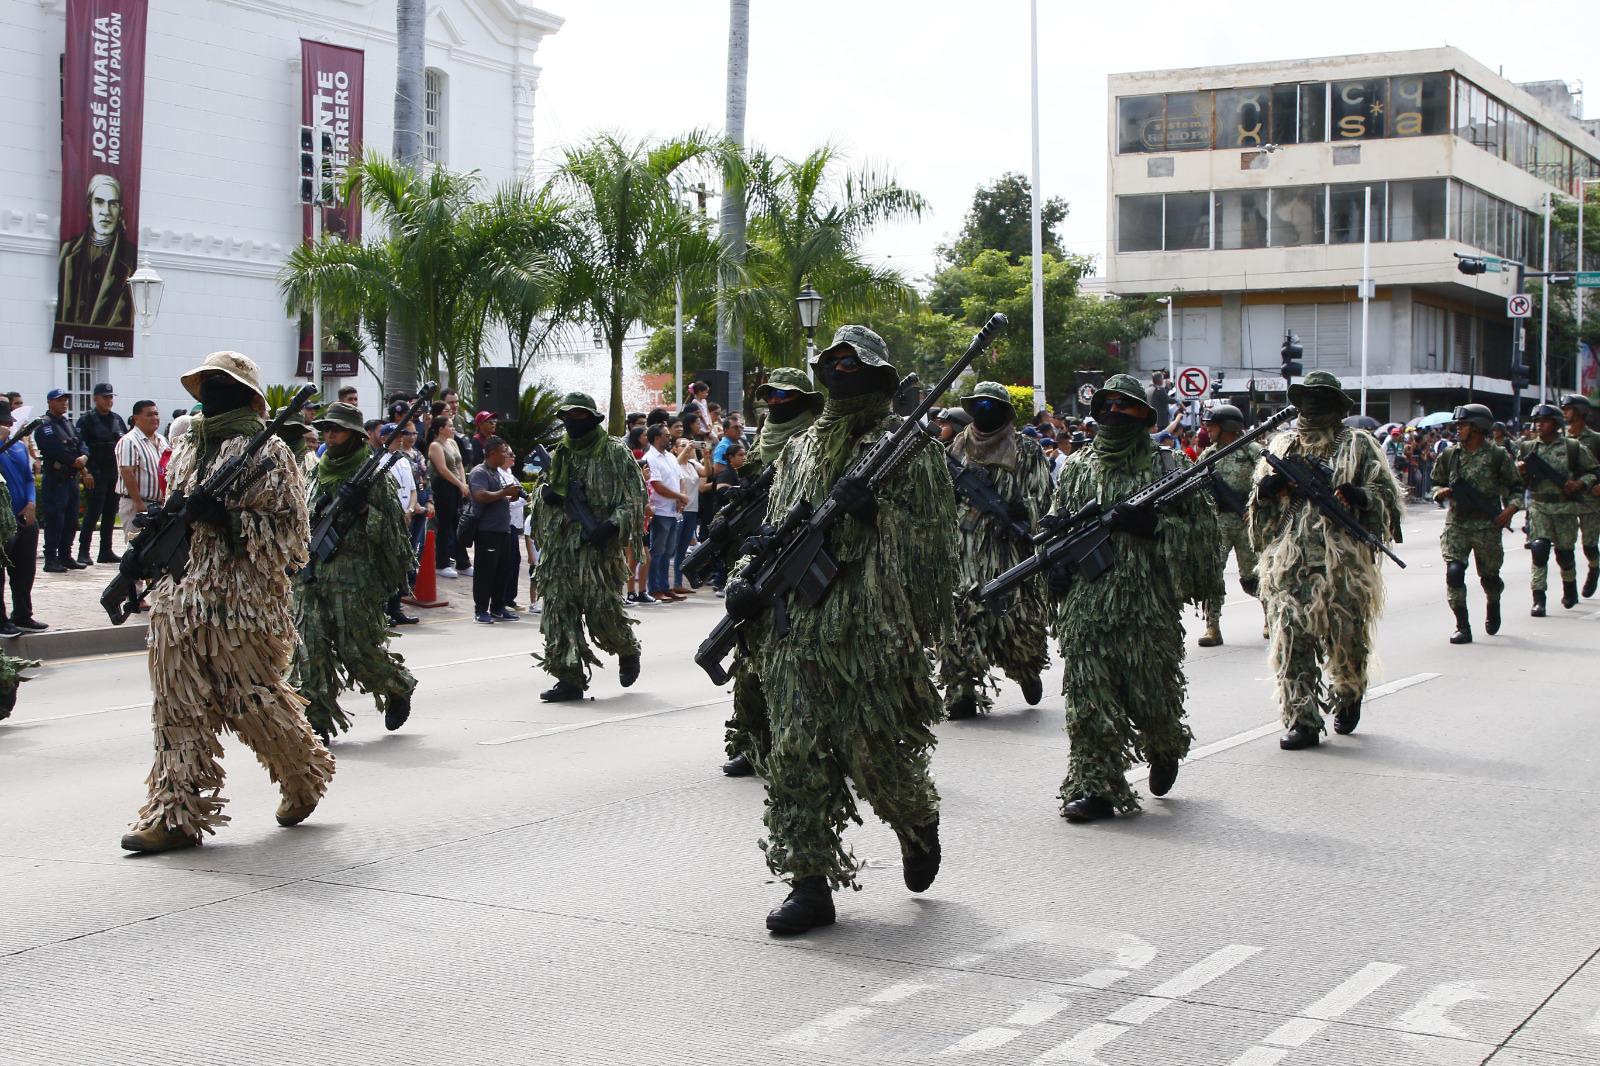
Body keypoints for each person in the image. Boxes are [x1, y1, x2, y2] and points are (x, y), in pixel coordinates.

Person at [742, 325, 954, 935]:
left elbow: (936, 548)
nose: (840, 374)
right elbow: (777, 529)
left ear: (882, 377)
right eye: (831, 365)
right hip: (796, 629)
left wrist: (877, 515)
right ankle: (809, 883)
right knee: (795, 755)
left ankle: (916, 822)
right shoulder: (802, 448)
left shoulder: (910, 450)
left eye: (853, 365)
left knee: (874, 755)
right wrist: (744, 579)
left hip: (870, 634)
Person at [120, 351, 335, 853]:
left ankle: (303, 774)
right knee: (176, 705)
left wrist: (231, 521)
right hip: (181, 595)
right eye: (208, 382)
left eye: (224, 383)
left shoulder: (269, 454)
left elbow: (291, 533)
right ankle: (174, 813)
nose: (213, 391)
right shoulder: (190, 447)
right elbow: (176, 516)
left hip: (241, 603)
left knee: (250, 699)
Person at [1046, 375, 1220, 822]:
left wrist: (1156, 528)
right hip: (1088, 603)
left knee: (1151, 694)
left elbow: (1204, 538)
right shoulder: (1078, 466)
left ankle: (1163, 746)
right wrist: (1055, 566)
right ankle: (1096, 787)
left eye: (1126, 407)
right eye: (1107, 405)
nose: (1114, 414)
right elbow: (1057, 523)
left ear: (1145, 415)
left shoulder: (1169, 468)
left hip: (1147, 604)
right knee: (1088, 696)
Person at [1249, 371, 1404, 751]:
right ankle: (1302, 719)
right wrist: (1265, 492)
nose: (1312, 404)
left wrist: (1361, 496)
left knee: (1345, 641)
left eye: (1320, 397)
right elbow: (1259, 512)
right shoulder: (1282, 446)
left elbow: (1386, 499)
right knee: (1290, 641)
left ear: (1335, 405)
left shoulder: (1357, 445)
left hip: (1342, 566)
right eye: (1306, 396)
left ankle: (1348, 691)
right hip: (1289, 563)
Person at [289, 403, 418, 742]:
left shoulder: (371, 473)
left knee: (355, 647)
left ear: (355, 435)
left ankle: (396, 685)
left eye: (338, 430)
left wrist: (364, 508)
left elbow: (393, 530)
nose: (330, 436)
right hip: (312, 570)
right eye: (327, 429)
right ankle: (316, 717)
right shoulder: (318, 470)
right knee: (309, 646)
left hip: (352, 576)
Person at [719, 367, 822, 778]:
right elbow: (753, 494)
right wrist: (728, 521)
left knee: (804, 662)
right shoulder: (764, 440)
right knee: (749, 660)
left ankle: (814, 743)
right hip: (759, 557)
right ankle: (752, 742)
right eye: (772, 396)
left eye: (786, 397)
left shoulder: (816, 439)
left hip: (802, 552)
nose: (777, 403)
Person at [940, 381, 1053, 720]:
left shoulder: (1026, 449)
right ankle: (961, 689)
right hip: (962, 550)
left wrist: (1023, 511)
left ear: (1004, 412)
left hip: (1007, 551)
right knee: (959, 616)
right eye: (980, 406)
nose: (985, 412)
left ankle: (1026, 668)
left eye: (993, 406)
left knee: (1015, 621)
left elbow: (1044, 496)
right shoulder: (954, 451)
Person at [533, 393, 645, 700]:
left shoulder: (614, 452)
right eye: (567, 417)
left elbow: (635, 497)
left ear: (592, 419)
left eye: (579, 417)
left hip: (599, 550)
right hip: (560, 550)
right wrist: (546, 496)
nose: (572, 423)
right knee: (558, 611)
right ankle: (568, 677)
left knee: (602, 610)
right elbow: (543, 494)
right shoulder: (560, 455)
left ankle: (626, 647)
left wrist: (612, 525)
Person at [1430, 404, 1521, 644]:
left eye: (1463, 425)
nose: (1458, 429)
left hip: (1487, 527)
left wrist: (1509, 510)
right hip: (1457, 523)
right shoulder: (1450, 455)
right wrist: (1440, 492)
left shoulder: (1497, 456)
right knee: (1454, 571)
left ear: (1479, 427)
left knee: (1490, 578)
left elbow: (1516, 488)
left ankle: (1493, 602)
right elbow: (1435, 483)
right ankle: (1462, 625)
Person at [1517, 403, 1598, 615]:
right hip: (1539, 505)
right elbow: (1515, 479)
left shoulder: (1572, 447)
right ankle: (1538, 599)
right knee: (1539, 549)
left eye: (1544, 421)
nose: (1538, 425)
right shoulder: (1528, 447)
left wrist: (1579, 484)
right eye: (1536, 421)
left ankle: (1570, 588)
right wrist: (1520, 471)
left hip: (1565, 507)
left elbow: (1593, 471)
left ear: (1555, 424)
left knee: (1564, 555)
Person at [1196, 404, 1264, 647]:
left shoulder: (1252, 452)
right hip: (1218, 523)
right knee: (1212, 575)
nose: (1207, 429)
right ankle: (1212, 627)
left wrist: (1256, 507)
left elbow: (1267, 483)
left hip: (1247, 522)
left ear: (1228, 427)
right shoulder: (1208, 456)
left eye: (1212, 425)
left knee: (1254, 577)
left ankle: (1271, 616)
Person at [55, 174, 136, 330]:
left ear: (120, 211)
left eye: (113, 204)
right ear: (89, 208)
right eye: (99, 202)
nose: (106, 211)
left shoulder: (130, 258)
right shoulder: (67, 252)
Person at [0, 403, 44, 637]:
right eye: (3, 423)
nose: (8, 426)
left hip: (23, 516)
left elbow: (28, 478)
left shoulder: (18, 447)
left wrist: (31, 503)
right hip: (2, 521)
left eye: (9, 422)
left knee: (25, 569)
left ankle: (23, 614)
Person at [37, 388, 89, 572]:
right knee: (55, 519)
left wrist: (84, 456)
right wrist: (73, 461)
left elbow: (80, 442)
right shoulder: (45, 425)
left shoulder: (67, 423)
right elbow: (54, 449)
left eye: (65, 399)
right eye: (59, 400)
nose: (64, 403)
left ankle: (66, 555)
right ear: (50, 402)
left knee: (71, 519)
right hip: (56, 479)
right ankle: (51, 558)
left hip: (71, 479)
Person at [74, 383, 126, 564]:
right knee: (93, 513)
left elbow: (123, 444)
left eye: (111, 397)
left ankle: (105, 550)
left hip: (113, 472)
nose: (109, 401)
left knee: (111, 512)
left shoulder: (117, 419)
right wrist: (85, 472)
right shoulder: (86, 420)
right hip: (95, 472)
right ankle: (83, 551)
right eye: (105, 397)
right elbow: (79, 447)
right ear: (95, 398)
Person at [1561, 394, 1600, 598]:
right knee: (1564, 547)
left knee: (1589, 545)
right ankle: (1570, 588)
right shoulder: (1560, 438)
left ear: (1579, 412)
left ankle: (1594, 568)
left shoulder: (1595, 439)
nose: (1564, 412)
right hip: (1564, 499)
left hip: (1590, 500)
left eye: (1568, 408)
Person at [643, 424, 687, 603]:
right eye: (666, 435)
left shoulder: (670, 456)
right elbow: (657, 485)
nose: (669, 438)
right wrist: (680, 496)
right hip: (660, 510)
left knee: (668, 551)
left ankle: (665, 587)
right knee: (658, 551)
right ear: (656, 438)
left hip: (673, 510)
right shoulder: (650, 458)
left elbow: (680, 478)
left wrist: (681, 498)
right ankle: (654, 588)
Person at [114, 399, 167, 546]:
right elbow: (127, 472)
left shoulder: (162, 440)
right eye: (149, 415)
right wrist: (138, 503)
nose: (154, 418)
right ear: (136, 418)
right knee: (136, 550)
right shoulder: (129, 441)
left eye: (156, 414)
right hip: (137, 504)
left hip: (159, 506)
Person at [426, 417, 472, 579]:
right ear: (440, 428)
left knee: (458, 524)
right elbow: (443, 470)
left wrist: (463, 484)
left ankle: (463, 563)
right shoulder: (435, 446)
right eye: (450, 426)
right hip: (444, 488)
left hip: (457, 487)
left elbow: (459, 464)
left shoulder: (452, 443)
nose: (453, 429)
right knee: (445, 526)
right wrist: (459, 484)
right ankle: (442, 563)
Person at [669, 435, 705, 595]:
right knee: (672, 547)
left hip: (692, 509)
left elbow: (706, 472)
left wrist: (707, 456)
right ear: (675, 449)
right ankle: (662, 584)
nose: (687, 447)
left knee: (683, 549)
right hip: (679, 510)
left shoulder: (692, 463)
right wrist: (686, 449)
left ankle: (678, 583)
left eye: (688, 444)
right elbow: (676, 465)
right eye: (682, 445)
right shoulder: (675, 463)